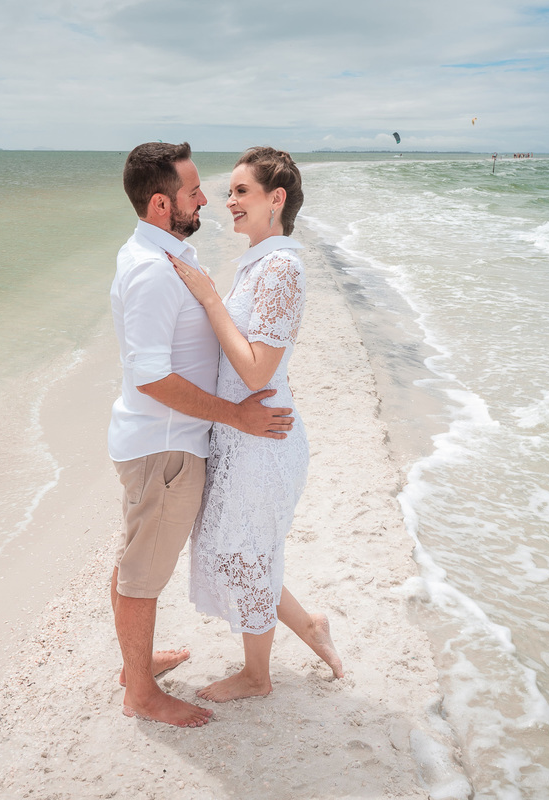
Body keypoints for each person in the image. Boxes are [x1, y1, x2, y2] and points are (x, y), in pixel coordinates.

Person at [108, 142, 295, 728]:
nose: (206, 201)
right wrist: (235, 415)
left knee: (137, 557)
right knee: (142, 575)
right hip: (165, 446)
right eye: (194, 193)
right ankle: (140, 691)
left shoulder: (162, 258)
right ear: (162, 204)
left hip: (163, 444)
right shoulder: (153, 272)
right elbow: (150, 376)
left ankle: (136, 664)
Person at [169, 147, 344, 702]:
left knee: (247, 553)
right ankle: (311, 626)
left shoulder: (283, 268)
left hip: (262, 438)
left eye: (242, 191)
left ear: (277, 199)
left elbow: (255, 368)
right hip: (241, 435)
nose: (229, 201)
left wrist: (208, 297)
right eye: (231, 192)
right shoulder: (260, 262)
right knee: (241, 549)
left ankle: (257, 676)